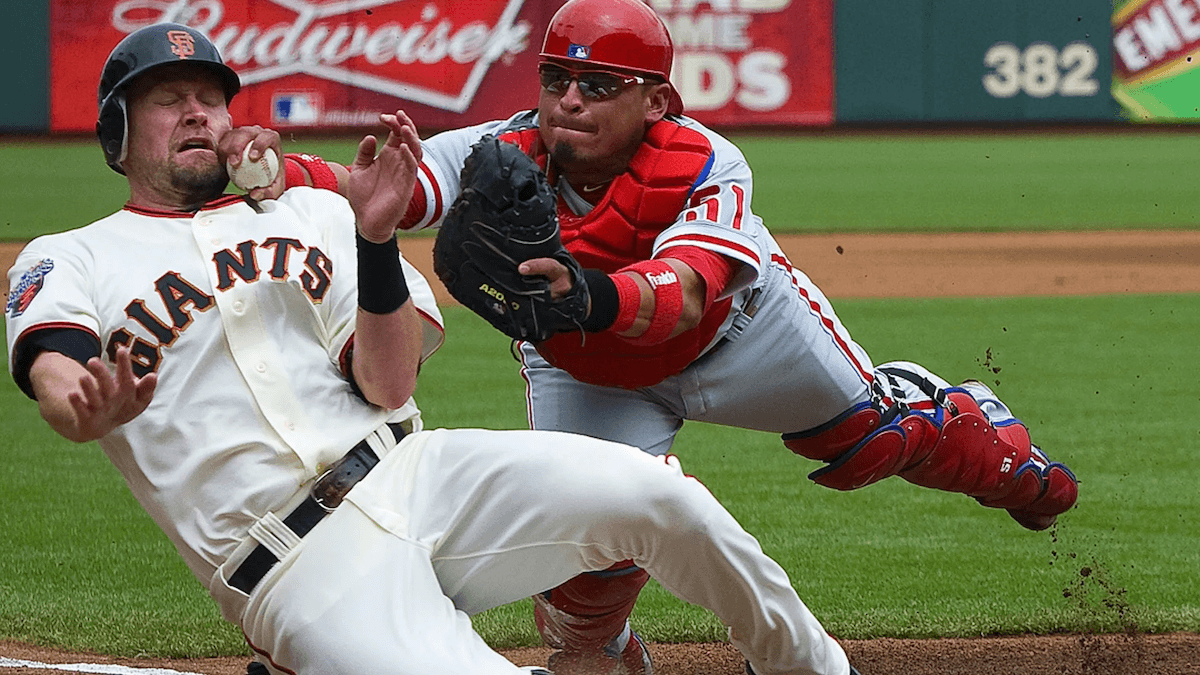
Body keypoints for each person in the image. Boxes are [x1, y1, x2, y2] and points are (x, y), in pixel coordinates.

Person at [4, 22, 862, 675]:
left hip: (420, 475)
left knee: (661, 495)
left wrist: (376, 238)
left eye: (209, 96)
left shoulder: (308, 214)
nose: (195, 111)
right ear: (119, 129)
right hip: (296, 564)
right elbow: (54, 354)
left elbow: (387, 380)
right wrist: (76, 399)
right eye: (166, 98)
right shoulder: (72, 252)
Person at [277, 0, 1081, 672]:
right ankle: (604, 651)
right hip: (590, 373)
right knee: (588, 540)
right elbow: (382, 189)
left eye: (599, 85)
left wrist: (590, 295)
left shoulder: (705, 161)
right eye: (557, 80)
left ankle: (973, 431)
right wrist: (275, 173)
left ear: (656, 101)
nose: (570, 101)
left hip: (747, 336)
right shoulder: (501, 152)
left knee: (871, 439)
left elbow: (687, 289)